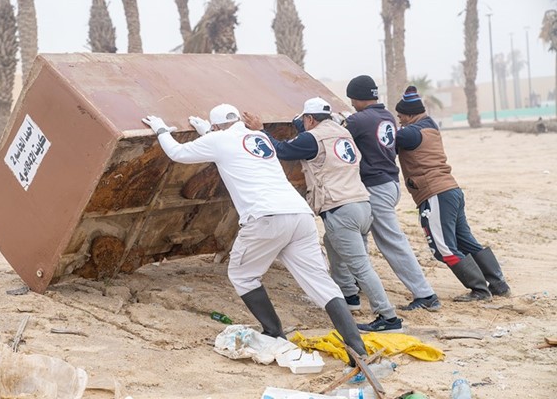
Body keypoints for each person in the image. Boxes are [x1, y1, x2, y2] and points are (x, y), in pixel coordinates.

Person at [141, 103, 368, 361]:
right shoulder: (259, 137)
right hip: (299, 215)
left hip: (265, 217)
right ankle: (358, 350)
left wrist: (161, 129)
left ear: (216, 127)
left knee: (242, 275)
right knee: (322, 285)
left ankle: (274, 331)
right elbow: (233, 149)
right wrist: (208, 133)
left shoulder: (219, 139)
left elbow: (178, 153)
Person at [243, 97, 403, 333]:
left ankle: (388, 318)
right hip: (361, 204)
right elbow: (309, 134)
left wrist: (260, 131)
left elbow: (281, 150)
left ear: (309, 119)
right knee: (332, 243)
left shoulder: (312, 138)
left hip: (340, 208)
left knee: (361, 266)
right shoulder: (342, 132)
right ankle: (349, 296)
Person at [394, 86, 511, 301]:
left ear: (410, 115)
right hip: (451, 190)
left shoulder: (411, 133)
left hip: (435, 193)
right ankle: (498, 284)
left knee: (443, 247)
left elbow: (388, 138)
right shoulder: (429, 125)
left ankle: (479, 290)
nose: (399, 120)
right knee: (465, 240)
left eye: (401, 117)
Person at [344, 75, 440, 312]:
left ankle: (425, 293)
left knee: (392, 242)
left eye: (352, 100)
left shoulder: (358, 120)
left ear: (357, 98)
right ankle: (353, 285)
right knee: (359, 232)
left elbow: (335, 134)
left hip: (375, 187)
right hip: (389, 184)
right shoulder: (386, 116)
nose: (352, 104)